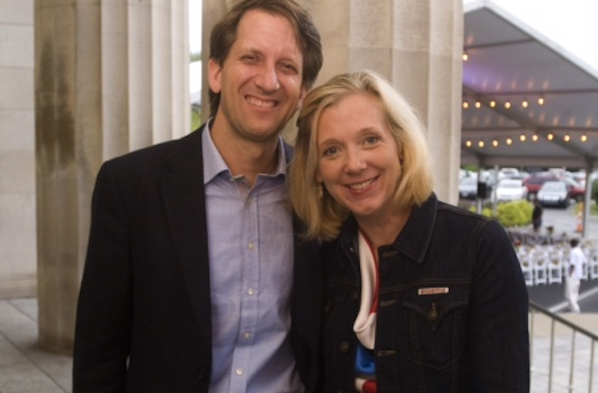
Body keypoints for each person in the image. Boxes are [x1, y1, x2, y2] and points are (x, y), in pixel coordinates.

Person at [72, 1, 324, 392]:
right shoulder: (131, 187)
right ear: (217, 72)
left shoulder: (319, 191)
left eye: (287, 67)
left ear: (303, 92)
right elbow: (98, 356)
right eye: (251, 58)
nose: (269, 81)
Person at [289, 70, 530, 392]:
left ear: (401, 145)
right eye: (332, 150)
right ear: (316, 171)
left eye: (370, 139)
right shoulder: (322, 255)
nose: (354, 164)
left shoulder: (478, 246)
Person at [565, 238, 587, 313]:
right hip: (578, 274)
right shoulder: (580, 251)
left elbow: (572, 264)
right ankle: (571, 306)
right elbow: (584, 262)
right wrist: (581, 270)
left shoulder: (573, 252)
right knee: (575, 292)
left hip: (573, 274)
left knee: (569, 292)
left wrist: (570, 273)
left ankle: (575, 307)